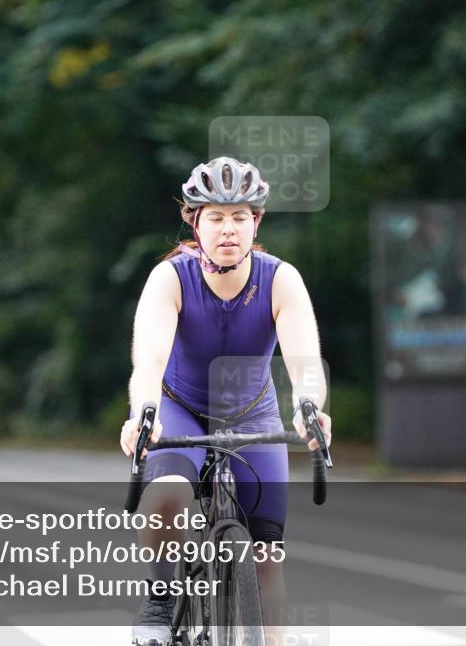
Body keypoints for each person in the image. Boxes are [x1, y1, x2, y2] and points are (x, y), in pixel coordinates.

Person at [120, 156, 333, 646]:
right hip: (180, 408)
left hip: (250, 412)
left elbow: (304, 365)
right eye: (215, 216)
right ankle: (160, 598)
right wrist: (143, 416)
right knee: (168, 493)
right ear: (195, 223)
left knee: (266, 558)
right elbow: (149, 363)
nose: (228, 229)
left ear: (255, 222)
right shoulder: (170, 279)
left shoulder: (281, 279)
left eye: (240, 216)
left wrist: (310, 408)